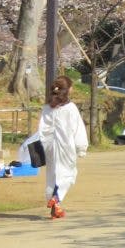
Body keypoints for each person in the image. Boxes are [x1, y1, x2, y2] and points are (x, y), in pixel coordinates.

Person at [38, 75, 88, 219]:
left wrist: (44, 143)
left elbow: (42, 128)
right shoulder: (70, 108)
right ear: (68, 90)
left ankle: (55, 206)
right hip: (66, 145)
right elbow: (77, 129)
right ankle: (56, 198)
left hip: (49, 145)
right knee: (68, 174)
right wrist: (81, 148)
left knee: (52, 174)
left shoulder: (47, 107)